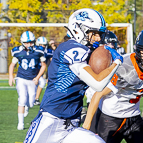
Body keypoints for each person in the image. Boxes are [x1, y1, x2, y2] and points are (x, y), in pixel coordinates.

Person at [24, 8, 123, 143]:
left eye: (99, 34)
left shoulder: (87, 51)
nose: (98, 38)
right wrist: (116, 62)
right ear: (78, 29)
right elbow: (98, 84)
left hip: (72, 125)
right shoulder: (71, 48)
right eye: (94, 33)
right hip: (50, 121)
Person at [8, 31, 46, 130]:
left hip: (32, 79)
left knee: (31, 101)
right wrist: (11, 77)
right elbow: (12, 65)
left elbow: (44, 65)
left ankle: (27, 107)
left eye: (30, 42)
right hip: (21, 78)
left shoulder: (39, 51)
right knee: (22, 99)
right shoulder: (18, 51)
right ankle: (20, 123)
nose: (28, 44)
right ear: (22, 42)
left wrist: (37, 77)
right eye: (26, 42)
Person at [33, 36, 54, 106]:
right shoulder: (33, 50)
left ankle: (36, 99)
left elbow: (52, 62)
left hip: (40, 72)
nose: (42, 46)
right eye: (41, 45)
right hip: (32, 71)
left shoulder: (48, 51)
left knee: (42, 82)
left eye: (44, 45)